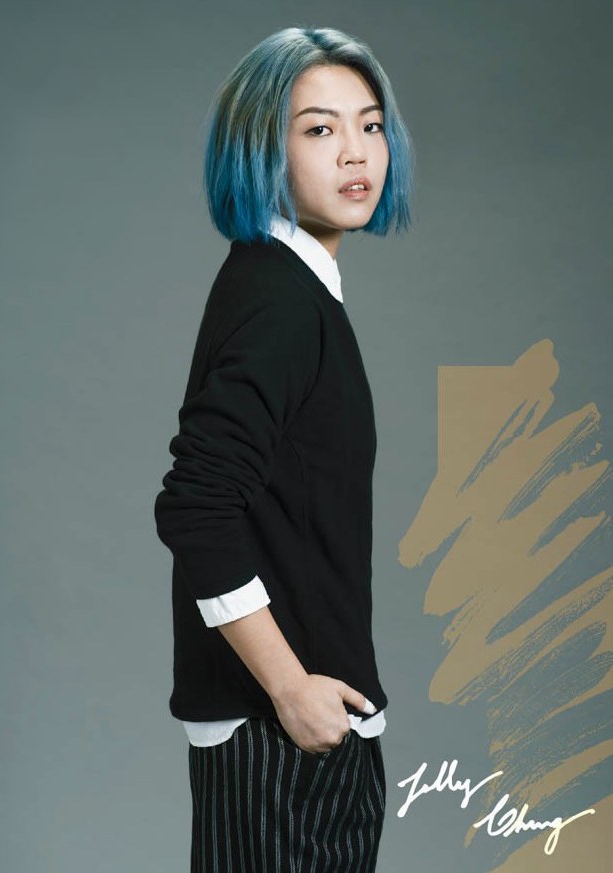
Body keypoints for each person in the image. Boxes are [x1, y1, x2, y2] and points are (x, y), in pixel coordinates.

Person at [154, 25, 413, 872]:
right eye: (319, 128)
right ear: (260, 149)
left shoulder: (291, 288)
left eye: (370, 125)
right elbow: (196, 505)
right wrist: (289, 686)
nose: (356, 152)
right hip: (281, 740)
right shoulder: (280, 300)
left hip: (306, 730)